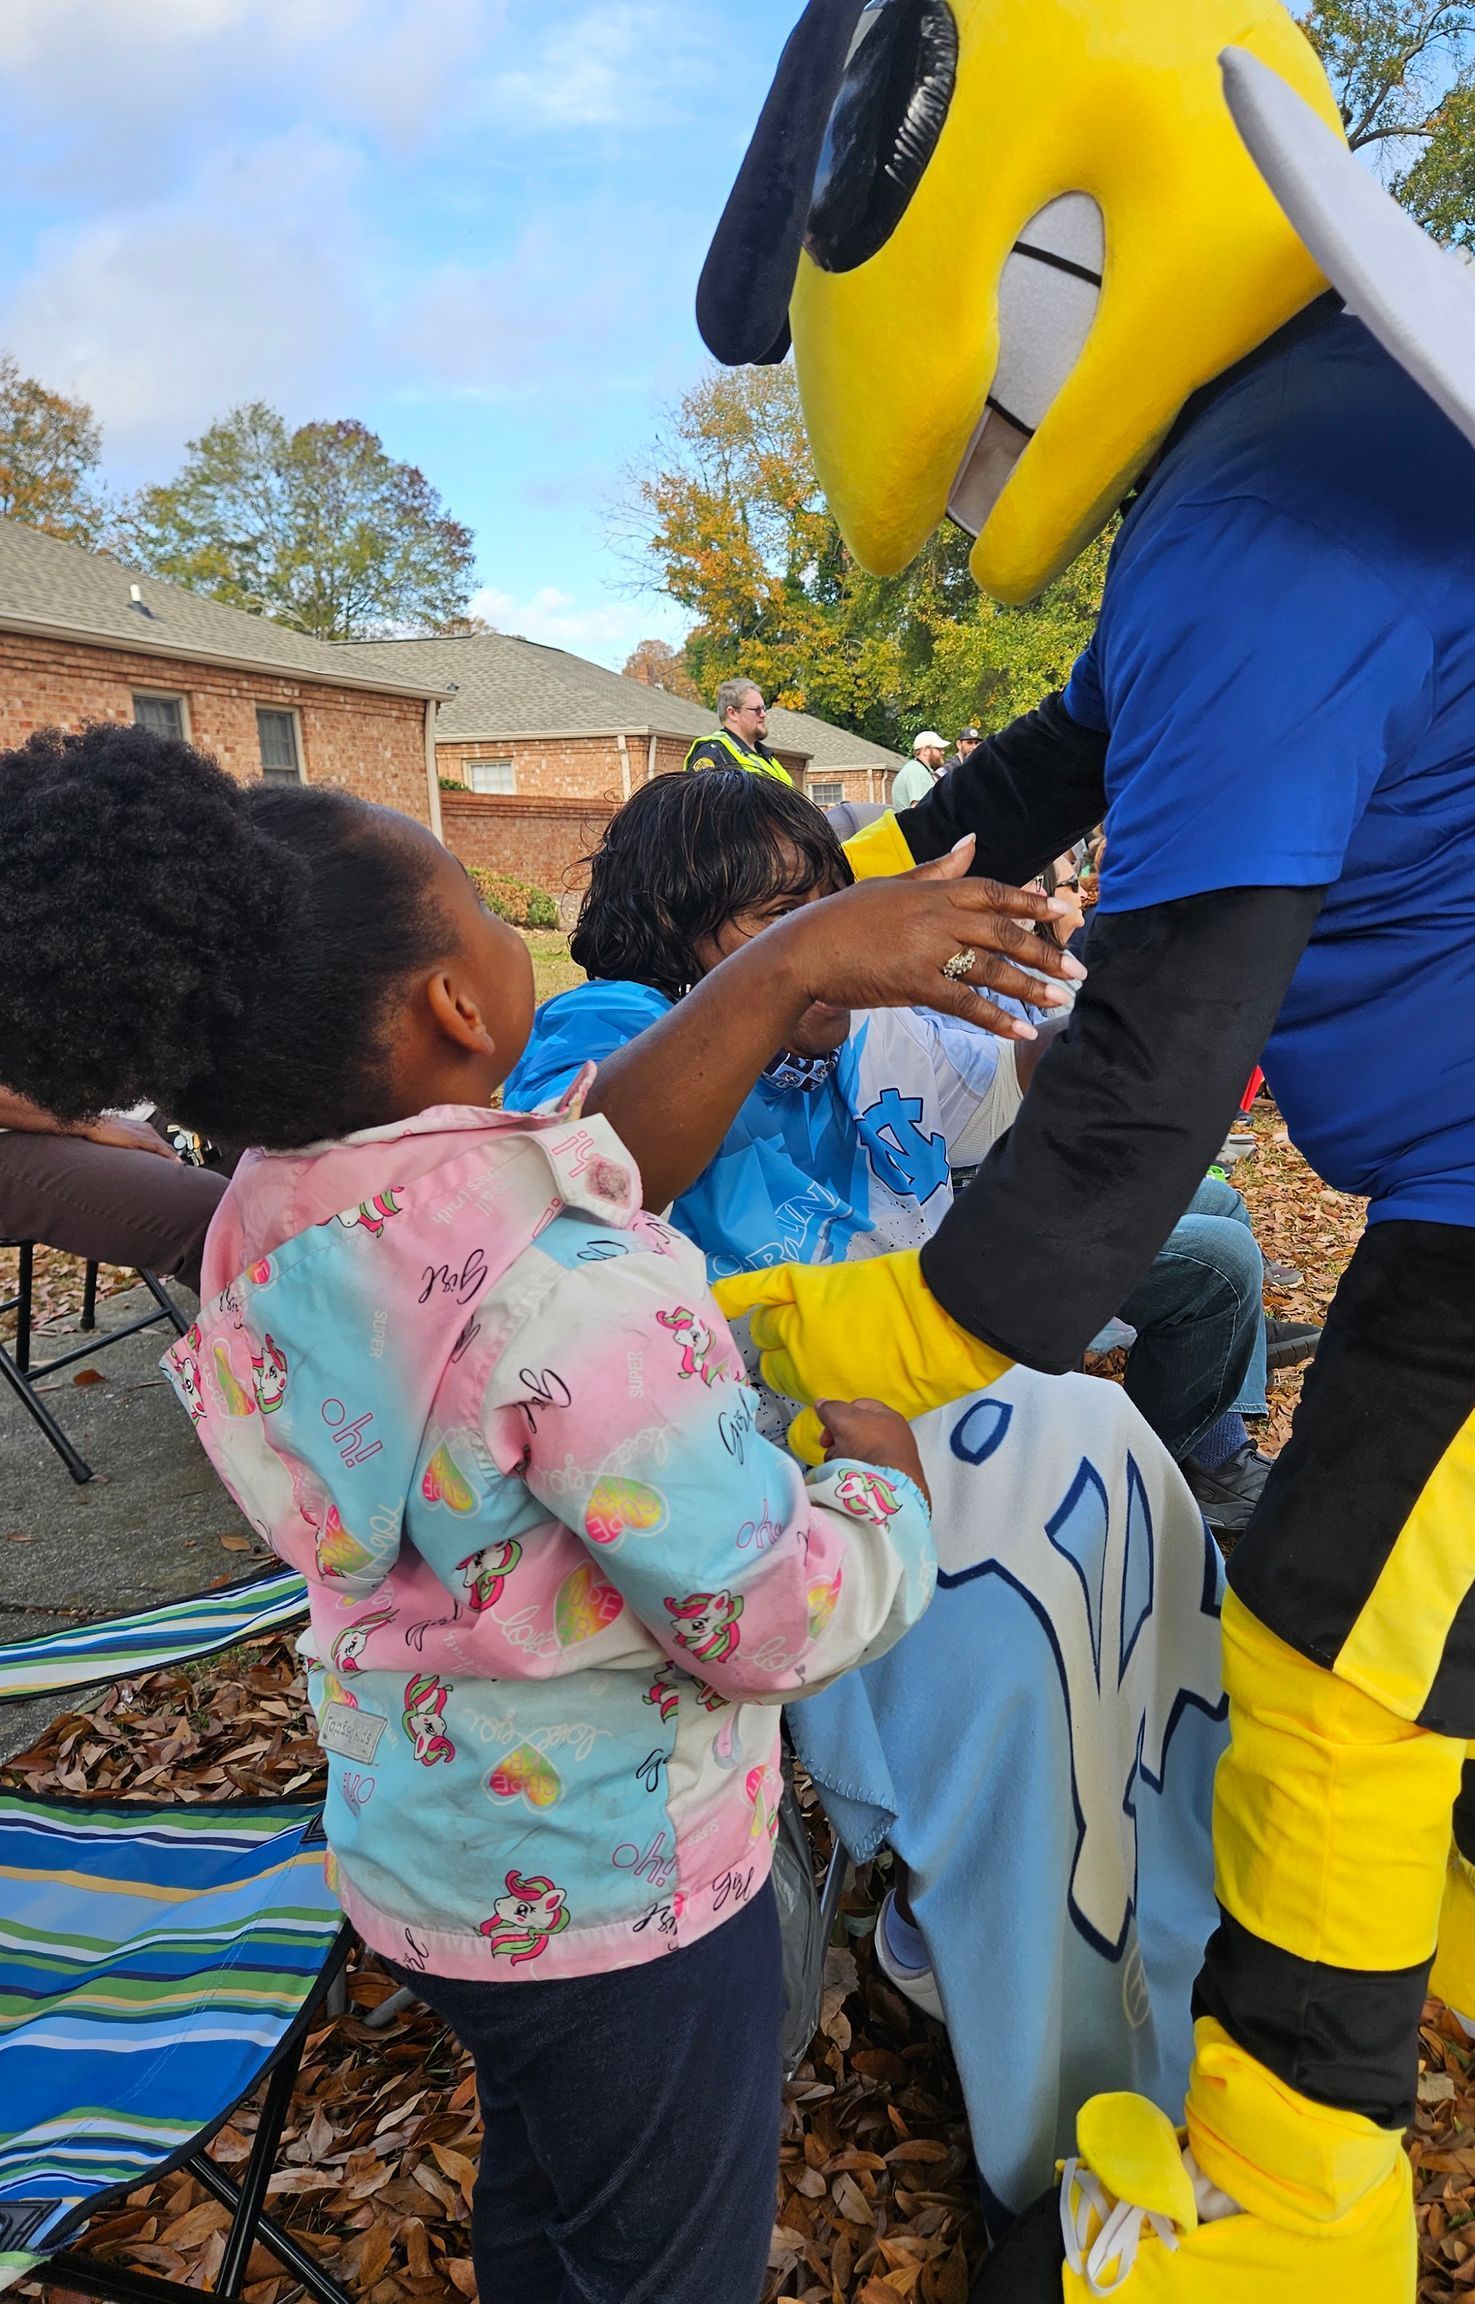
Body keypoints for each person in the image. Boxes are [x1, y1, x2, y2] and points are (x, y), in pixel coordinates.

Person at [697, 1, 1475, 2292]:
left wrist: (858, 1337)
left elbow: (1142, 1097)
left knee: (1337, 1656)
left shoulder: (1261, 515)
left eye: (970, 455)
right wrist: (880, 844)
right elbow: (1078, 736)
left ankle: (1290, 2191)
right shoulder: (1301, 419)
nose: (969, 494)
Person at [0, 719, 1083, 2304]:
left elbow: (552, 1178)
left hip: (433, 1855)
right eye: (484, 912)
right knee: (667, 2252)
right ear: (457, 1001)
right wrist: (872, 1491)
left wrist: (781, 968)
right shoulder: (572, 1286)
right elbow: (766, 1613)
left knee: (554, 2181)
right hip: (621, 1888)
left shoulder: (267, 1223)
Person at [499, 769, 1242, 2218]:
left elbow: (971, 1152)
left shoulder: (834, 1055)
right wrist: (793, 971)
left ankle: (1147, 1934)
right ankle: (1044, 2042)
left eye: (828, 899)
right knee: (1028, 1627)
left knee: (1140, 1519)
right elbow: (566, 1199)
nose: (823, 931)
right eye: (781, 909)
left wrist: (1072, 1029)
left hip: (906, 1426)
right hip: (736, 1482)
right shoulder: (608, 1026)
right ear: (681, 921)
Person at [0, 1085, 226, 1285]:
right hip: (19, 1129)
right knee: (209, 1211)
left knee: (256, 1165)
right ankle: (238, 1325)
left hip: (114, 1100)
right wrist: (90, 1123)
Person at [684, 677, 794, 784]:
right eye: (756, 709)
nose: (763, 714)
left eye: (764, 708)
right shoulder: (714, 753)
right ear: (732, 713)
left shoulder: (767, 758)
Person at [889, 730, 948, 809]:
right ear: (925, 751)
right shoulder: (917, 771)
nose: (943, 752)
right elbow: (918, 810)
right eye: (939, 749)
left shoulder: (918, 768)